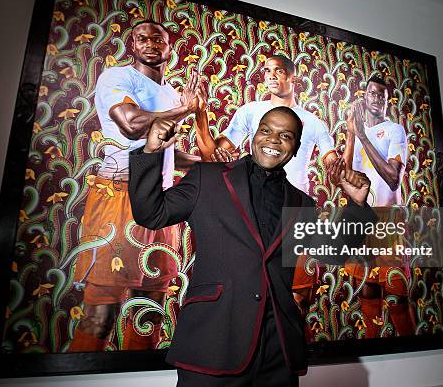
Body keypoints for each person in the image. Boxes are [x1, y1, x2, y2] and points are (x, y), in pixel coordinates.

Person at [128, 106, 373, 386]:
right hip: (213, 344)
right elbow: (151, 213)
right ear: (254, 135)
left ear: (295, 149)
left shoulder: (301, 203)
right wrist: (150, 152)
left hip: (277, 353)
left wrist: (358, 204)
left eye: (286, 135)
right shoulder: (206, 178)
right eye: (266, 130)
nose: (273, 140)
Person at [69, 20, 203, 352]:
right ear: (133, 44)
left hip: (160, 204)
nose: (150, 44)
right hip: (119, 196)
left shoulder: (170, 93)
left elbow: (167, 153)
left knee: (150, 311)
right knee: (100, 313)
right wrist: (186, 109)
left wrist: (211, 165)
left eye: (158, 39)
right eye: (142, 38)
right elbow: (131, 126)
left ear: (169, 47)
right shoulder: (118, 77)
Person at [195, 54, 337, 195]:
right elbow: (211, 157)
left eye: (279, 71)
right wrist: (200, 112)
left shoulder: (313, 121)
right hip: (258, 200)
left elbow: (335, 167)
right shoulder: (250, 111)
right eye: (267, 70)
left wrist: (344, 173)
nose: (271, 75)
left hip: (295, 207)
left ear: (293, 78)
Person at [342, 75, 413, 338]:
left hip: (388, 220)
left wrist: (361, 134)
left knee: (396, 292)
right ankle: (374, 345)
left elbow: (393, 179)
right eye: (371, 93)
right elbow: (346, 175)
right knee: (368, 286)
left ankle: (410, 346)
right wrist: (351, 134)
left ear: (387, 101)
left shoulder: (394, 130)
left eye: (381, 95)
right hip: (362, 218)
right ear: (365, 96)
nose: (375, 98)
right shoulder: (359, 131)